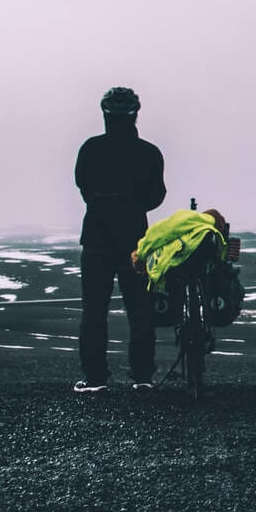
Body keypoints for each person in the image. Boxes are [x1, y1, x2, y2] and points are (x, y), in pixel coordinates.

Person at [72, 86, 166, 392]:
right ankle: (142, 377)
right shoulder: (149, 153)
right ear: (135, 115)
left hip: (97, 238)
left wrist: (106, 200)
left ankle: (96, 377)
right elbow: (156, 196)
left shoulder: (91, 149)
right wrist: (132, 203)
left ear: (105, 115)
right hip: (135, 240)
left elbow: (83, 187)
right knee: (140, 310)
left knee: (94, 311)